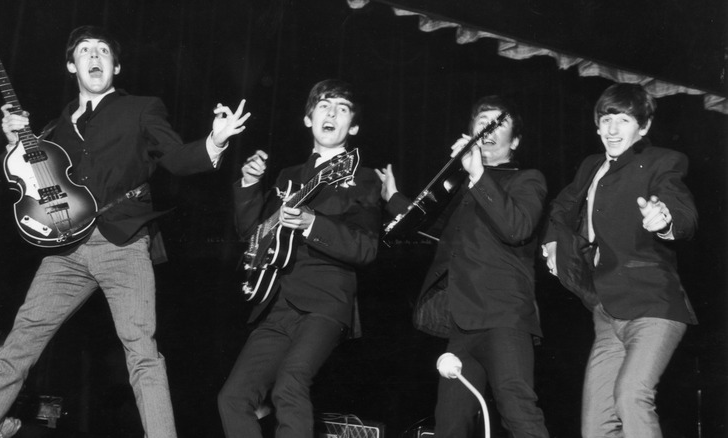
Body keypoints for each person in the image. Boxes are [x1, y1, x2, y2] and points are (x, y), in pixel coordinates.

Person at [0, 25, 249, 438]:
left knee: (142, 353)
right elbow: (35, 183)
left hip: (123, 244)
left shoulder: (143, 108)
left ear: (116, 66)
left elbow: (179, 158)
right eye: (86, 51)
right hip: (65, 252)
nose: (95, 56)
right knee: (14, 353)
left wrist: (214, 142)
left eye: (104, 51)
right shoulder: (54, 128)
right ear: (72, 65)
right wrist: (13, 143)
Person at [377, 95, 550, 437]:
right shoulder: (462, 188)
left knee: (518, 413)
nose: (487, 129)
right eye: (481, 122)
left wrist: (478, 173)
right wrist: (393, 198)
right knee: (450, 424)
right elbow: (434, 227)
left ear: (514, 141)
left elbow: (517, 227)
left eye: (498, 124)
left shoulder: (527, 180)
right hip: (462, 323)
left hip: (504, 318)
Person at [217, 79, 381, 438]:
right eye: (324, 105)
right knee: (233, 398)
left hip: (326, 302)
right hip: (277, 304)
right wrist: (248, 186)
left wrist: (311, 224)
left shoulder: (364, 179)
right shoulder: (288, 177)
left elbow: (366, 249)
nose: (331, 113)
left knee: (289, 384)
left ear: (352, 126)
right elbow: (254, 235)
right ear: (308, 119)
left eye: (341, 108)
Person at [541, 83, 698, 438]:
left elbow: (682, 209)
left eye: (623, 120)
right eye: (605, 119)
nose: (612, 130)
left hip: (654, 306)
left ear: (643, 127)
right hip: (606, 312)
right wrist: (552, 243)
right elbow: (562, 207)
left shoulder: (661, 161)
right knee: (596, 425)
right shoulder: (590, 166)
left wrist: (666, 219)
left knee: (631, 396)